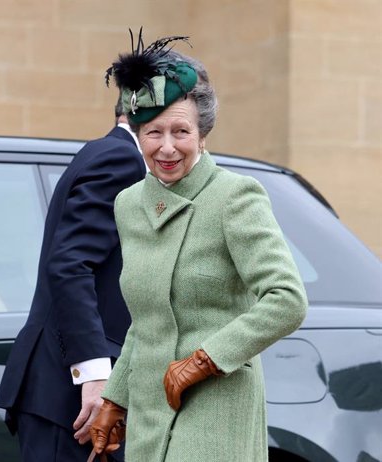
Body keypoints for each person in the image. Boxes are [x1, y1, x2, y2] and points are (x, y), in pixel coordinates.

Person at [89, 33, 308, 461]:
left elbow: (287, 299)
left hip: (217, 401)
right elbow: (147, 318)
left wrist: (204, 360)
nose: (167, 147)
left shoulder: (234, 197)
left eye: (181, 131)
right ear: (138, 136)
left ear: (203, 135)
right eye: (154, 132)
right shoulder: (129, 205)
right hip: (151, 409)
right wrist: (115, 400)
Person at [0, 97, 147, 460]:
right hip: (72, 397)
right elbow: (70, 264)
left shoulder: (105, 152)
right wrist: (94, 375)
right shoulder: (123, 159)